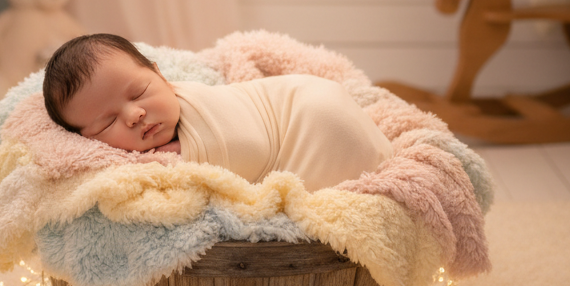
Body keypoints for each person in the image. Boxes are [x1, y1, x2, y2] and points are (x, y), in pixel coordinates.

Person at [42, 33, 393, 192]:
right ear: (84, 140)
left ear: (160, 74)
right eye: (107, 122)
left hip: (311, 111)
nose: (134, 114)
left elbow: (251, 143)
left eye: (139, 92)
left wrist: (189, 156)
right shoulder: (120, 167)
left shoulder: (197, 100)